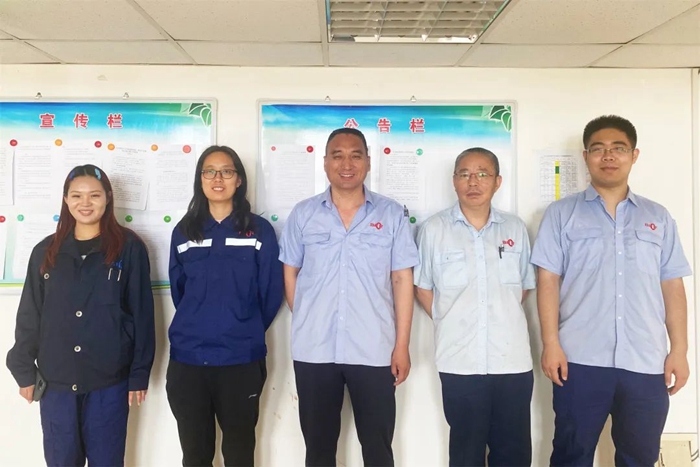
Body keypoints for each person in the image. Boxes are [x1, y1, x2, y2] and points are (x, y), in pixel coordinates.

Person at [531, 115, 692, 466]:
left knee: (639, 457)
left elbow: (672, 284)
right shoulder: (561, 214)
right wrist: (551, 343)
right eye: (598, 149)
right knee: (571, 455)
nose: (608, 156)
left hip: (646, 360)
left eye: (618, 148)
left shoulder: (658, 217)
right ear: (586, 156)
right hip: (579, 360)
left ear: (634, 155)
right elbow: (547, 281)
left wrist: (679, 350)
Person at [278, 128, 419, 467]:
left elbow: (402, 279)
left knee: (378, 447)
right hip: (315, 349)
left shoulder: (390, 214)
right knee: (318, 449)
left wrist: (401, 345)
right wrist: (309, 316)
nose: (346, 164)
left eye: (355, 155)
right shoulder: (303, 214)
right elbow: (290, 273)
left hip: (374, 348)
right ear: (325, 162)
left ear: (368, 162)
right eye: (337, 155)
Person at [6, 164, 155, 467]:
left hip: (109, 382)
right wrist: (23, 370)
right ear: (66, 199)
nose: (85, 203)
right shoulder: (46, 251)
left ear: (108, 197)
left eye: (94, 195)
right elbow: (30, 315)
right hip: (56, 383)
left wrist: (139, 374)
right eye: (76, 195)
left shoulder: (129, 249)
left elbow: (142, 315)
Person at [414, 148, 535, 467]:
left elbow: (522, 287)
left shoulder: (514, 228)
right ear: (454, 180)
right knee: (466, 453)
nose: (473, 182)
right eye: (465, 174)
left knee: (514, 453)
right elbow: (423, 287)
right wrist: (450, 318)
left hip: (512, 362)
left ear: (497, 182)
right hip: (460, 361)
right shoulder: (434, 229)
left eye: (482, 174)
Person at [167, 145, 283, 467]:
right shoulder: (184, 231)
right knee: (195, 454)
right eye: (210, 171)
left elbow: (271, 292)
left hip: (240, 358)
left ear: (239, 179)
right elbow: (179, 291)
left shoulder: (259, 230)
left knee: (239, 453)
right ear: (200, 179)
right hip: (189, 360)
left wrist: (243, 326)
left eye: (226, 171)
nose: (218, 178)